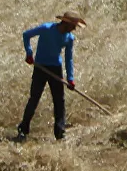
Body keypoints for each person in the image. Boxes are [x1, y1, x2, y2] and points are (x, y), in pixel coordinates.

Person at [17, 11, 85, 141]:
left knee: (59, 101)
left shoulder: (69, 38)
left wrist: (70, 78)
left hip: (55, 69)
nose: (74, 29)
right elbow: (26, 35)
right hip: (40, 67)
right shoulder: (46, 28)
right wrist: (29, 53)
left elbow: (68, 58)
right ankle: (23, 130)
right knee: (34, 98)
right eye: (73, 26)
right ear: (66, 23)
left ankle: (60, 133)